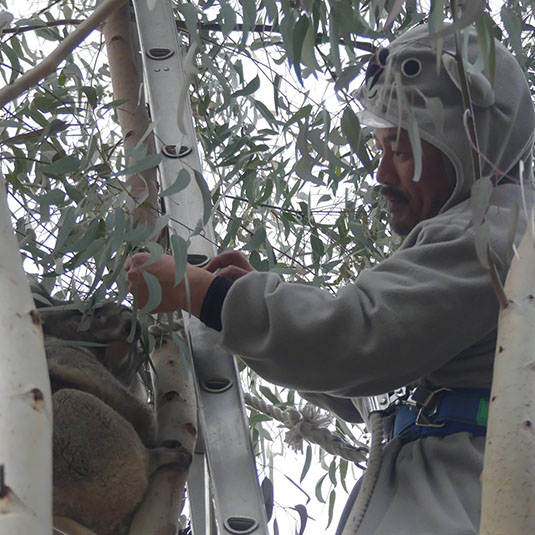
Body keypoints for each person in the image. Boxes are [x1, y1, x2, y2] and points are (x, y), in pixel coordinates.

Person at [125, 23, 535, 535]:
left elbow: (363, 338)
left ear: (471, 144)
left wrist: (207, 294)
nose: (382, 174)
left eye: (401, 150)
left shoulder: (496, 232)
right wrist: (251, 308)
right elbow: (378, 388)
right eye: (381, 148)